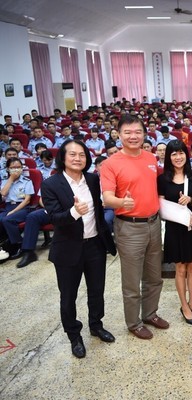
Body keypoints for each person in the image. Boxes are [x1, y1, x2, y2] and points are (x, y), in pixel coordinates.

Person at [41, 140, 116, 358]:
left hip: (94, 244)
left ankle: (96, 325)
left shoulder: (93, 179)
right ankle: (74, 336)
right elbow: (54, 217)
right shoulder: (51, 184)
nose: (77, 158)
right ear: (62, 157)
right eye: (72, 154)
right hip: (68, 249)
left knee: (96, 290)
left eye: (82, 154)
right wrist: (74, 212)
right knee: (68, 297)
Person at [101, 114, 169, 340]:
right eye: (127, 132)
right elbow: (107, 198)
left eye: (137, 132)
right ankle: (134, 322)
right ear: (118, 135)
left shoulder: (150, 157)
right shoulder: (111, 164)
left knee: (154, 276)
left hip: (153, 223)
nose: (133, 136)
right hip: (129, 228)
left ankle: (150, 313)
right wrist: (122, 202)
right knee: (132, 281)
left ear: (144, 133)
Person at [158, 140, 192, 325]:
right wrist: (177, 210)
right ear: (169, 157)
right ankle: (184, 305)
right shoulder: (162, 179)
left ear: (187, 154)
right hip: (174, 228)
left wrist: (191, 200)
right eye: (174, 154)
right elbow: (161, 207)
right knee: (180, 268)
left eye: (181, 153)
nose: (178, 157)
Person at [0, 158, 34, 260]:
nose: (16, 170)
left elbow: (27, 200)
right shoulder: (5, 181)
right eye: (13, 168)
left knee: (7, 219)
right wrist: (10, 179)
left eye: (18, 167)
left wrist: (13, 211)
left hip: (22, 207)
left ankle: (18, 245)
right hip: (8, 206)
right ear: (8, 169)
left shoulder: (27, 181)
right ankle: (5, 243)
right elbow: (3, 193)